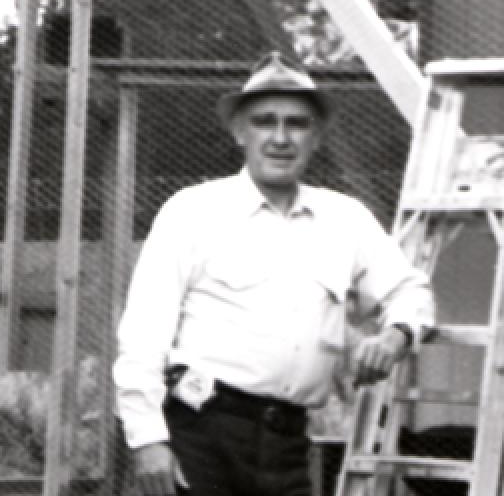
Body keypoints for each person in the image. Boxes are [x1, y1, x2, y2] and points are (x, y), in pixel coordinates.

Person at [113, 51, 436, 496]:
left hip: (287, 443)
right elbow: (144, 333)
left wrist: (395, 336)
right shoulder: (193, 211)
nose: (280, 138)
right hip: (201, 435)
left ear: (317, 136)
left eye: (297, 124)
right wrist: (148, 438)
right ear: (239, 131)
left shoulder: (345, 219)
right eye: (265, 121)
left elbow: (410, 290)